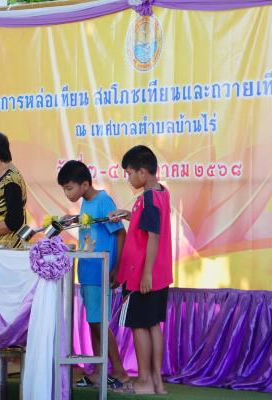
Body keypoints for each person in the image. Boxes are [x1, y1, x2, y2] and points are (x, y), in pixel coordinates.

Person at [57, 160, 129, 388]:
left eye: (69, 188)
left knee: (99, 323)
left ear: (85, 184)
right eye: (64, 189)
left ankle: (120, 372)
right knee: (93, 322)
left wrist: (116, 267)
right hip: (87, 270)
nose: (67, 194)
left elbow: (120, 234)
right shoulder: (86, 203)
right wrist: (73, 220)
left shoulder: (103, 200)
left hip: (101, 270)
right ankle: (99, 371)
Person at [109, 145, 173, 395]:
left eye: (129, 173)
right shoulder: (161, 192)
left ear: (143, 172)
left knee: (139, 325)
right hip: (159, 273)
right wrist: (129, 215)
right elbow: (149, 225)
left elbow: (153, 236)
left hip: (141, 274)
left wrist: (146, 274)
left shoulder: (148, 198)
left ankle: (144, 380)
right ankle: (156, 381)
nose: (128, 179)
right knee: (153, 324)